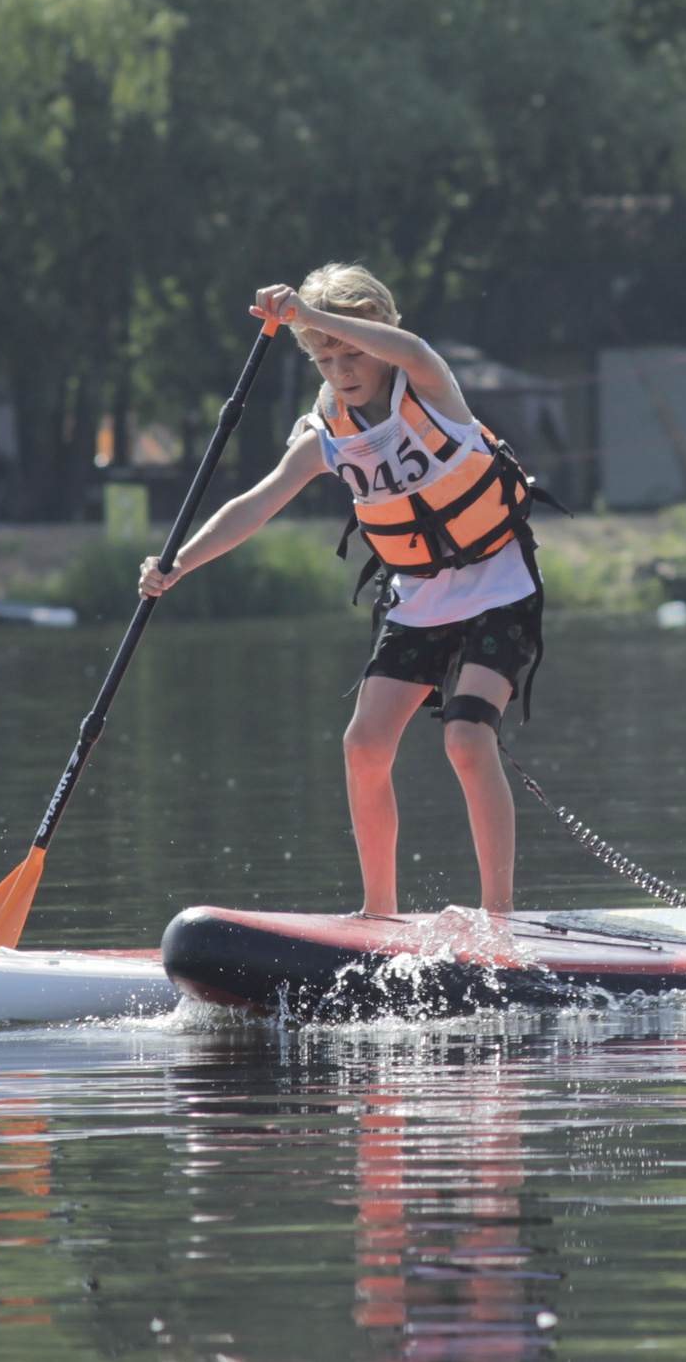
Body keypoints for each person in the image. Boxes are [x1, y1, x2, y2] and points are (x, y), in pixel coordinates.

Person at [137, 265, 550, 918]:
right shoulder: (326, 431)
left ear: (378, 334)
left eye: (352, 351)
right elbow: (256, 504)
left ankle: (498, 920)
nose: (341, 367)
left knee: (467, 739)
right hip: (418, 600)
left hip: (498, 585)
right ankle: (377, 913)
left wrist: (306, 313)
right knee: (362, 745)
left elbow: (409, 349)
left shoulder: (428, 384)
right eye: (324, 358)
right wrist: (178, 562)